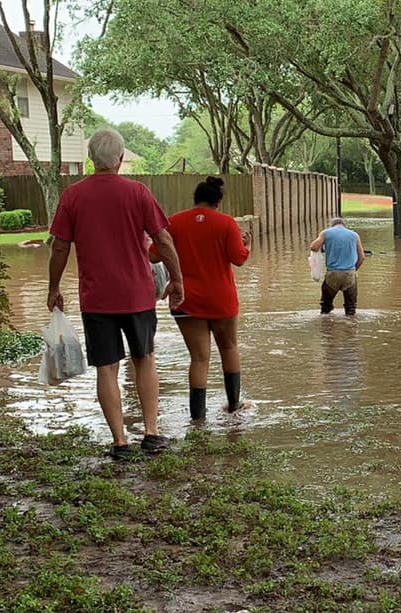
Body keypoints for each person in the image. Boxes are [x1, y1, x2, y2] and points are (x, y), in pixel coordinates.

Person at [47, 128, 183, 461]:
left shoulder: (73, 196)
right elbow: (163, 241)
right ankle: (151, 434)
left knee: (106, 368)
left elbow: (60, 247)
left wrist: (54, 287)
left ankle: (120, 442)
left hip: (96, 299)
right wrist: (178, 279)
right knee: (145, 360)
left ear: (91, 158)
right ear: (121, 159)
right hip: (137, 295)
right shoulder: (138, 193)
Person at [167, 177, 250, 420]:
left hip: (185, 300)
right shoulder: (226, 223)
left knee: (198, 358)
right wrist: (248, 247)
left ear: (195, 198)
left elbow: (154, 254)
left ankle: (198, 417)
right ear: (219, 201)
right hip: (221, 299)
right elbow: (239, 258)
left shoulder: (174, 222)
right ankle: (234, 406)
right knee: (229, 347)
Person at [309, 217, 364, 315]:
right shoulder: (355, 235)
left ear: (332, 225)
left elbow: (313, 247)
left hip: (332, 274)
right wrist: (353, 270)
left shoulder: (326, 233)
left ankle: (327, 327)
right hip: (350, 274)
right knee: (351, 309)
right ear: (344, 225)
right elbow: (362, 258)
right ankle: (350, 328)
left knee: (325, 307)